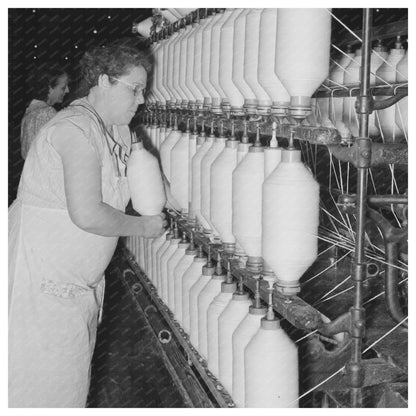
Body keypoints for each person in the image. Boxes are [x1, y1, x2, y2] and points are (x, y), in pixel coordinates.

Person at [8, 42, 167, 407]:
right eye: (134, 89)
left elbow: (155, 187)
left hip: (74, 290)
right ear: (102, 81)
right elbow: (88, 213)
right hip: (36, 289)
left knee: (64, 391)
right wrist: (144, 228)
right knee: (35, 394)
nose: (141, 100)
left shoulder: (117, 131)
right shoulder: (73, 129)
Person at [20, 63, 70, 159]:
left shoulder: (29, 113)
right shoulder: (46, 113)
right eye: (63, 87)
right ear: (49, 88)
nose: (67, 90)